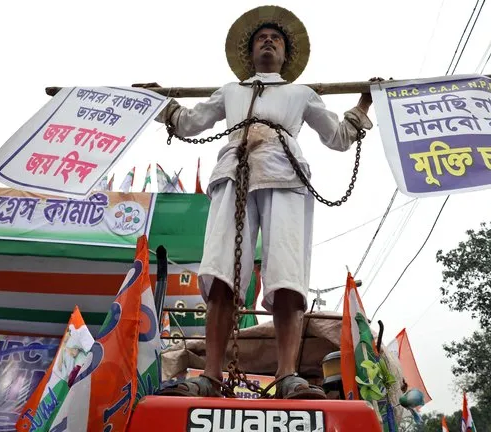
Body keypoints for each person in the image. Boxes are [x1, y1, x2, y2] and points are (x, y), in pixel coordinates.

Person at [145, 5, 376, 399]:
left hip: (285, 175)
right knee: (220, 275)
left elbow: (337, 137)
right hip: (232, 173)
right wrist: (155, 101)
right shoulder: (230, 91)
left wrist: (364, 104)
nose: (268, 43)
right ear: (250, 53)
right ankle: (211, 376)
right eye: (261, 40)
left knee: (287, 277)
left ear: (286, 55)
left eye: (276, 40)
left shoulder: (301, 94)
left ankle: (288, 375)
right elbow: (189, 122)